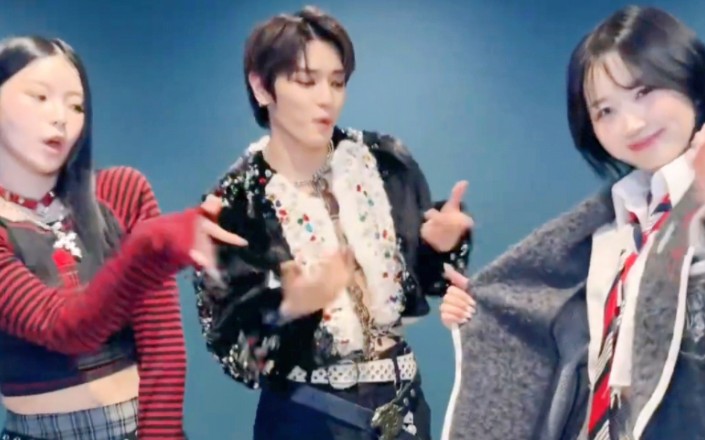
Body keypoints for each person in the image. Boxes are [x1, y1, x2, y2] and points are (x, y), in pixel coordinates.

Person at [193, 6, 472, 440]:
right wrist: (292, 307)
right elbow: (236, 356)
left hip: (402, 404)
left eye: (337, 82)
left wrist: (441, 245)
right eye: (306, 82)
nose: (326, 98)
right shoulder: (234, 202)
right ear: (262, 87)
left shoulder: (383, 162)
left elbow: (422, 282)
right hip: (306, 416)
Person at [441, 5, 705, 440]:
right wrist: (485, 310)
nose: (631, 123)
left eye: (644, 91)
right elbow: (589, 359)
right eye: (605, 111)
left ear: (688, 80)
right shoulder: (614, 231)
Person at [0, 35, 244, 440]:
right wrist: (149, 248)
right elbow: (64, 327)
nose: (61, 117)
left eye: (76, 105)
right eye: (40, 97)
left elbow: (161, 345)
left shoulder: (121, 192)